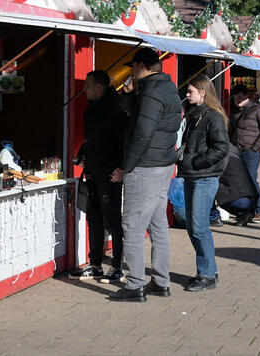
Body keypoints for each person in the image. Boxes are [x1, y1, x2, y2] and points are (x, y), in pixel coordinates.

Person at [108, 48, 182, 302]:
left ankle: (135, 285)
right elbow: (146, 120)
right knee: (158, 224)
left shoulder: (151, 91)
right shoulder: (168, 88)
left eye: (133, 68)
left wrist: (126, 166)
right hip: (163, 165)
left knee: (133, 226)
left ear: (141, 66)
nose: (131, 73)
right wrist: (131, 97)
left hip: (145, 167)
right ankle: (161, 282)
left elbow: (142, 132)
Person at [69, 70, 128, 283]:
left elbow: (125, 141)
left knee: (112, 220)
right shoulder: (91, 109)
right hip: (93, 170)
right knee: (93, 219)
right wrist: (83, 153)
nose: (84, 90)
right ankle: (95, 265)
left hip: (111, 173)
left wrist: (122, 167)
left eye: (88, 85)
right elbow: (91, 138)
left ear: (99, 87)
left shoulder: (116, 109)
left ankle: (118, 265)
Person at [178, 74, 230, 292]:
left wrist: (197, 162)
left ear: (203, 92)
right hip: (193, 175)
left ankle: (206, 274)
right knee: (193, 226)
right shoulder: (194, 115)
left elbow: (221, 148)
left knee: (199, 227)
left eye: (190, 91)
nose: (187, 95)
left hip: (205, 177)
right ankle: (209, 270)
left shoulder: (213, 117)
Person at [229, 84, 260, 224]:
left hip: (250, 151)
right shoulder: (236, 112)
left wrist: (255, 148)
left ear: (247, 96)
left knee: (251, 180)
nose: (237, 100)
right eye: (235, 97)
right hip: (237, 151)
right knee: (239, 182)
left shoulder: (258, 109)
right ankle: (246, 210)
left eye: (240, 97)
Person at [217, 144, 259, 226]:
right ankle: (244, 213)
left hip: (240, 197)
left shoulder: (223, 154)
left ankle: (213, 217)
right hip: (249, 196)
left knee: (211, 190)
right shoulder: (235, 152)